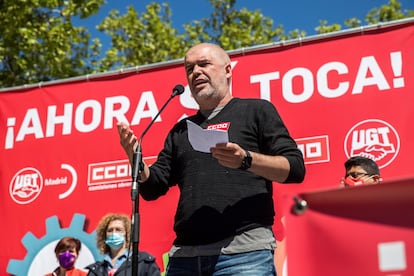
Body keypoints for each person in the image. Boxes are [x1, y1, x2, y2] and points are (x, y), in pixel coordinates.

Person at [117, 42, 305, 275]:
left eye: (204, 64)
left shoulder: (257, 110)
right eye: (189, 68)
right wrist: (135, 158)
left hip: (244, 255)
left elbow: (295, 169)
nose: (195, 72)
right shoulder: (181, 130)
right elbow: (152, 188)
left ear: (227, 70)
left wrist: (246, 160)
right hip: (184, 259)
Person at [85, 213, 161, 276]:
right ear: (104, 236)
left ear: (127, 234)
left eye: (118, 230)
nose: (114, 233)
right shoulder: (96, 269)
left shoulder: (143, 263)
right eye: (110, 230)